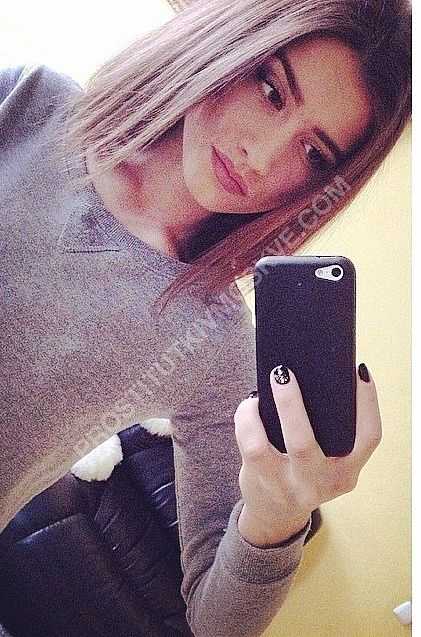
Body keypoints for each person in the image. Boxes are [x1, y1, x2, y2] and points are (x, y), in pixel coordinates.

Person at [0, 0, 411, 636]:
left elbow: (217, 621)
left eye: (313, 153)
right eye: (272, 90)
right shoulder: (26, 101)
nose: (262, 158)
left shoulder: (212, 341)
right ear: (228, 43)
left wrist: (276, 517)